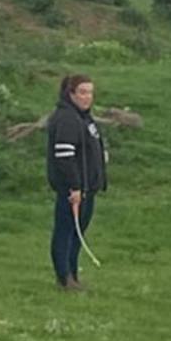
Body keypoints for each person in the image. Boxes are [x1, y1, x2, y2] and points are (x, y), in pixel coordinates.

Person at [46, 73, 108, 291]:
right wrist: (75, 187)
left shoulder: (85, 118)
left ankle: (73, 275)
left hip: (88, 189)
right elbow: (64, 156)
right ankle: (64, 278)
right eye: (82, 92)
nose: (87, 97)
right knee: (65, 232)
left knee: (77, 234)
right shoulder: (66, 119)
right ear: (70, 93)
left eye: (90, 92)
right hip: (74, 190)